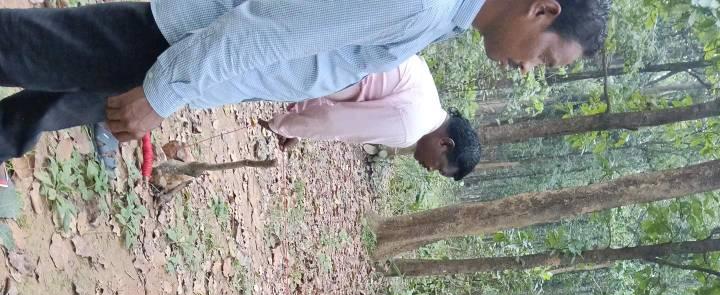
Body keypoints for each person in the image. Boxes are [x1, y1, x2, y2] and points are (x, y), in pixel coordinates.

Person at [0, 0, 610, 184]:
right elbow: (265, 28)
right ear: (542, 9)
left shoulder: (441, 19)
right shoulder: (423, 7)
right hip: (177, 44)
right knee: (22, 49)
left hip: (190, 59)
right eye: (545, 57)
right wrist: (163, 92)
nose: (529, 69)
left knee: (58, 101)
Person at [259, 57, 481, 181]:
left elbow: (350, 98)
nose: (430, 169)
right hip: (328, 65)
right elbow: (335, 121)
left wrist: (298, 119)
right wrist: (283, 126)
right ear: (445, 144)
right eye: (439, 166)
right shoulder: (410, 129)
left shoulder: (427, 92)